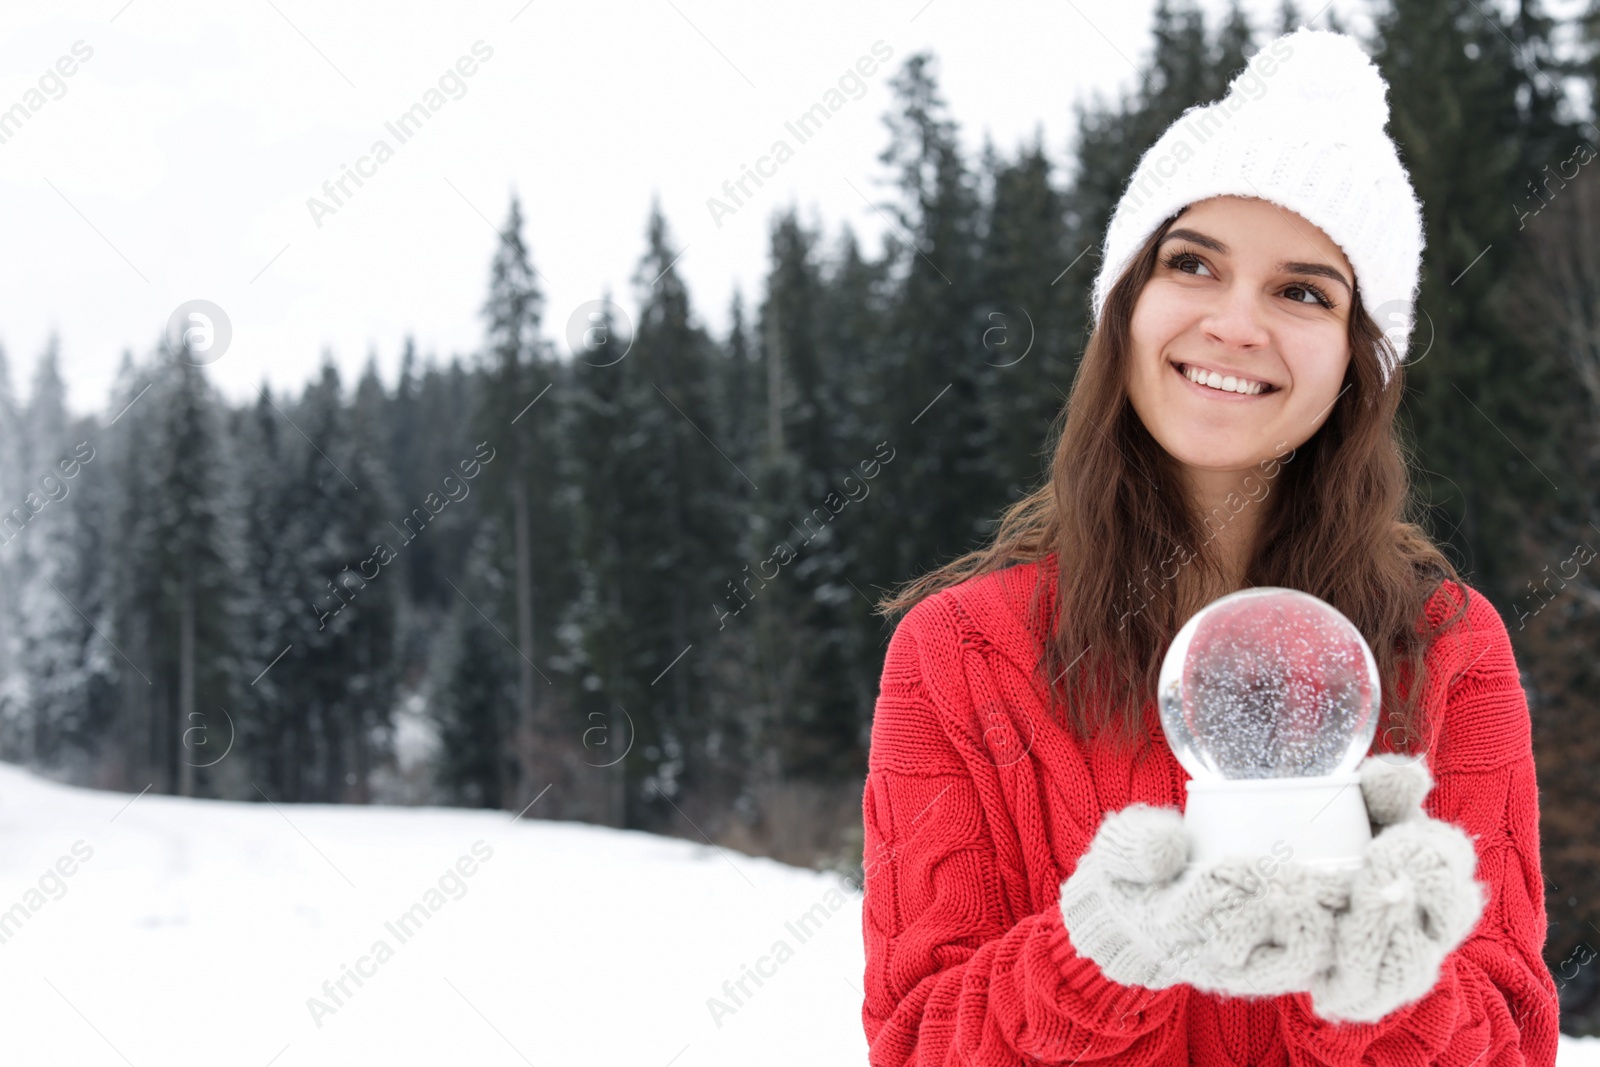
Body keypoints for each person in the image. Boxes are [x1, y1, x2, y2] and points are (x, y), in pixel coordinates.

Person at [858, 27, 1559, 1067]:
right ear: (1125, 305)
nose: (1235, 323)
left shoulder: (1449, 648)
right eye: (1193, 264)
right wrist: (1099, 950)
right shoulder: (960, 652)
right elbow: (916, 1043)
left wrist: (1382, 979)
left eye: (1303, 289)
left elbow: (1510, 1041)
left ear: (1358, 360)